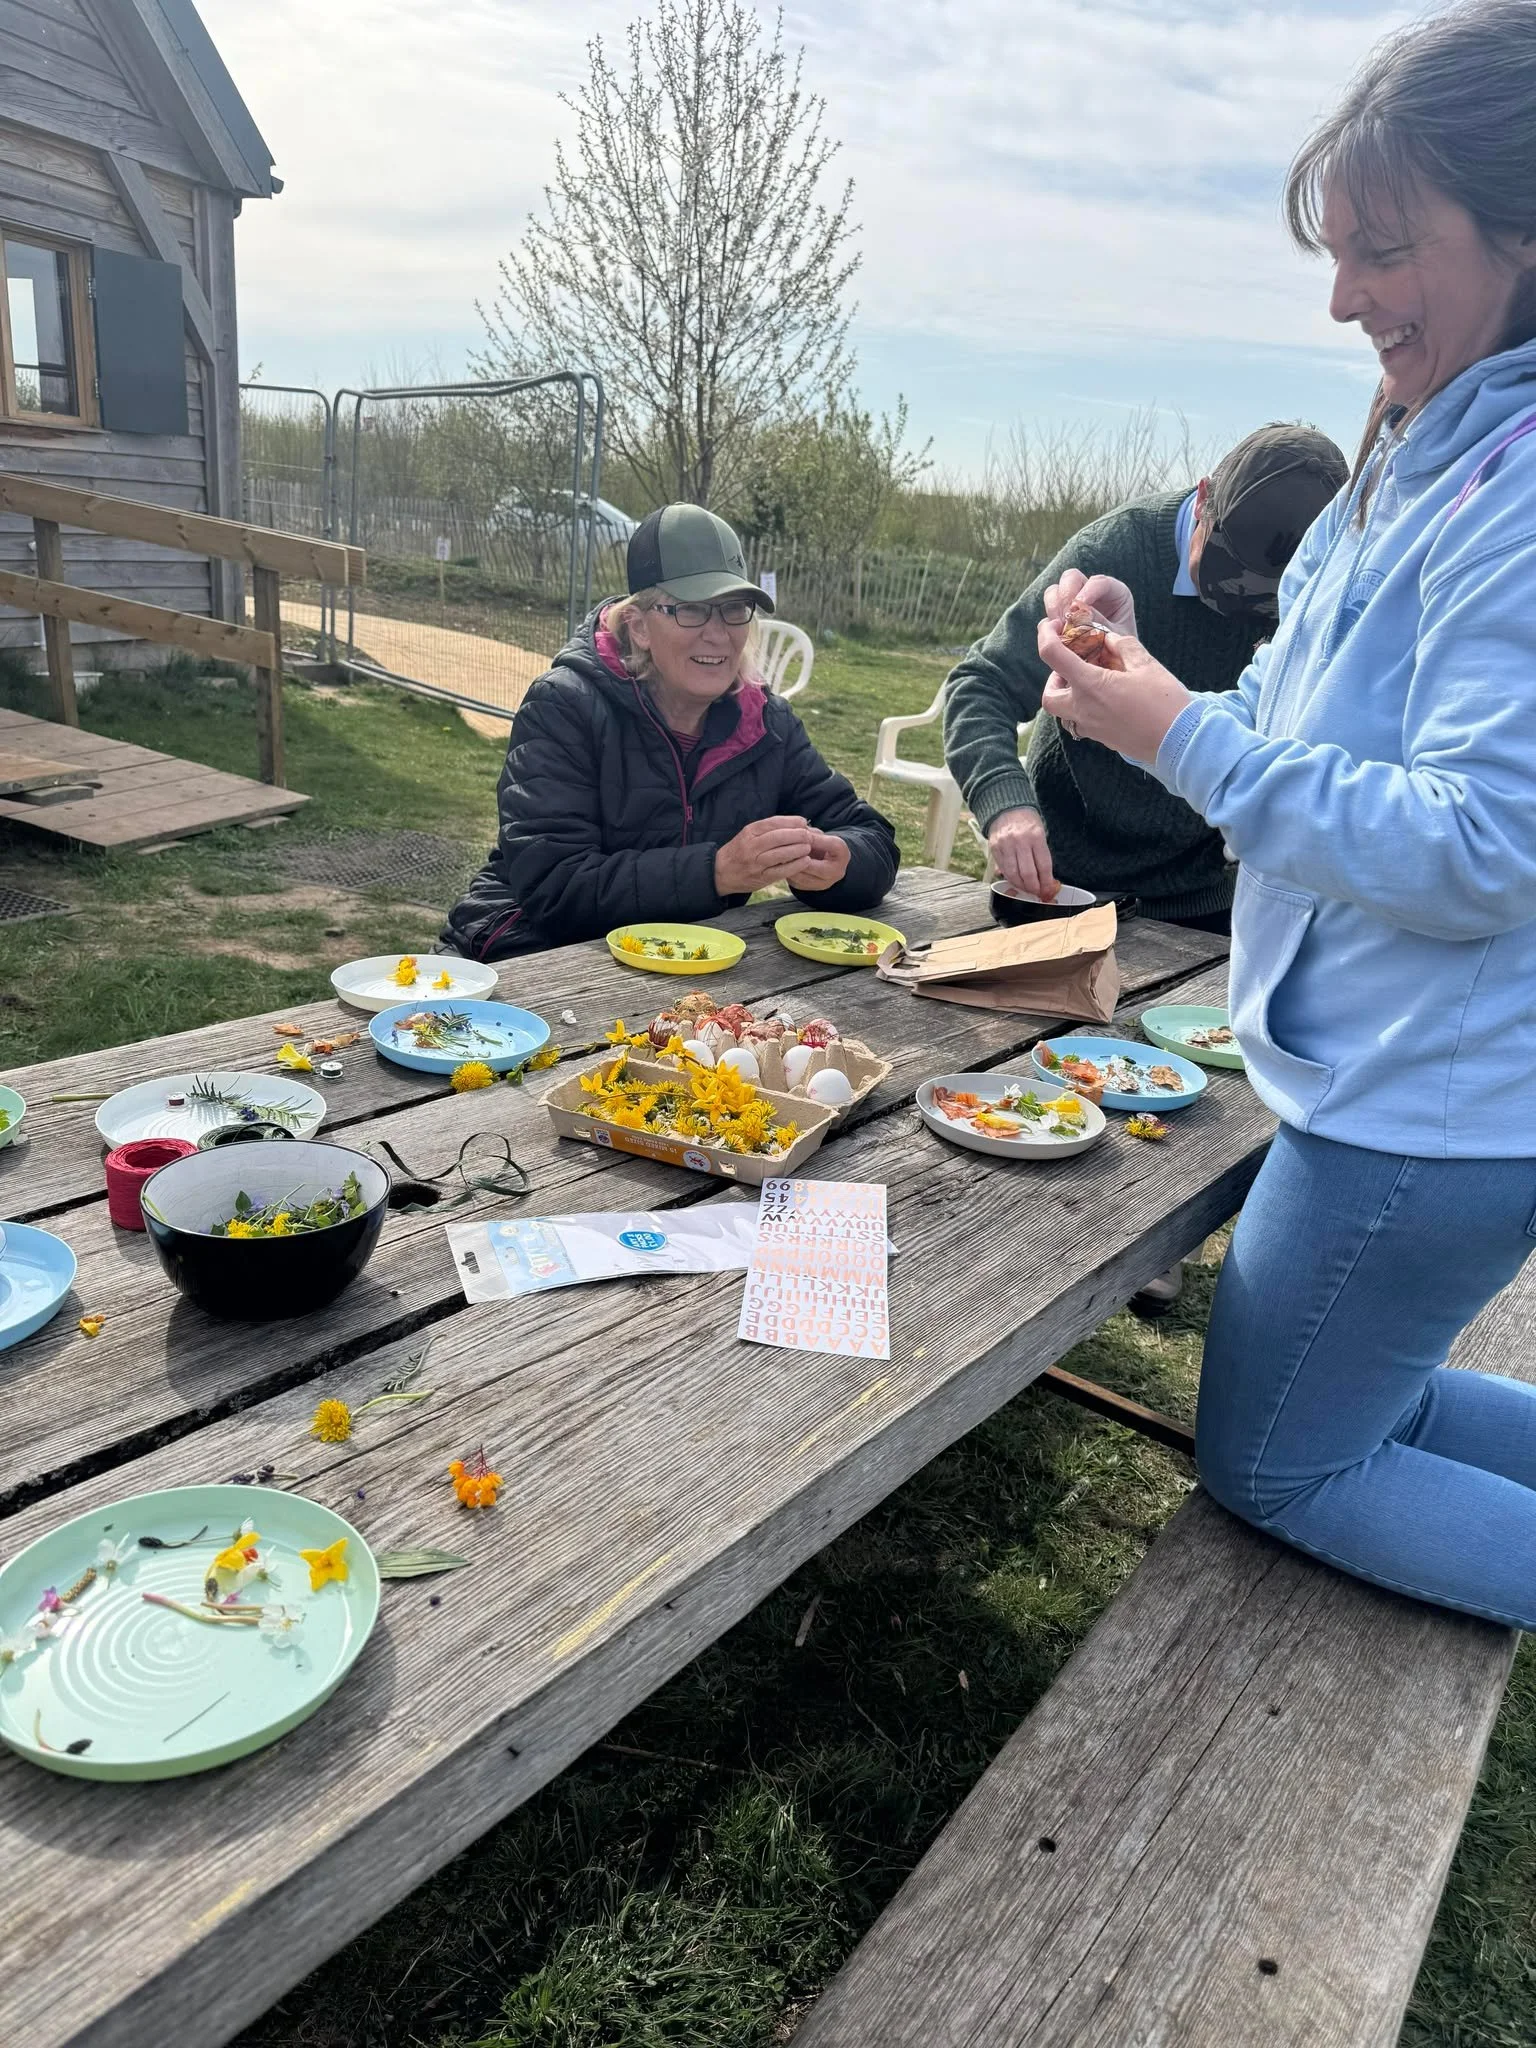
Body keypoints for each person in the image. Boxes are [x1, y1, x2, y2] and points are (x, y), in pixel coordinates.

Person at [1036, 0, 1536, 1632]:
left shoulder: (1520, 487)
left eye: (1385, 246)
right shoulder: (1417, 445)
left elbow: (1483, 847)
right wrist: (1150, 679)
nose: (1342, 295)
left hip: (1424, 1107)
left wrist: (1182, 740)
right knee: (1361, 1405)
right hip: (1395, 1075)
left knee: (1272, 1462)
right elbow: (1288, 716)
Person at [443, 504, 899, 959]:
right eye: (693, 611)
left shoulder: (765, 723)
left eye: (733, 610)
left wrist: (840, 862)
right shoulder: (564, 705)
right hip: (525, 954)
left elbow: (872, 839)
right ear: (639, 626)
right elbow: (556, 887)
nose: (718, 635)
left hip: (674, 964)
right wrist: (716, 872)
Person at [945, 424, 1347, 929]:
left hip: (1205, 899)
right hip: (1068, 890)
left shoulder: (1318, 592)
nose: (1242, 603)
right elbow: (981, 684)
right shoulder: (1112, 555)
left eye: (1268, 595)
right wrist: (1006, 807)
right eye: (1229, 571)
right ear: (1203, 500)